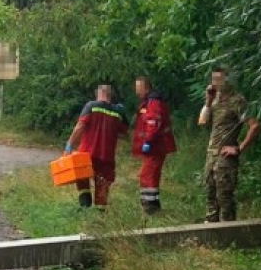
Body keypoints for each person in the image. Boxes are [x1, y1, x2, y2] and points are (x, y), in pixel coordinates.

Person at [199, 66, 260, 222]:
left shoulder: (237, 101)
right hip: (211, 154)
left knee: (224, 196)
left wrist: (239, 148)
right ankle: (211, 230)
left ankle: (229, 232)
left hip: (225, 156)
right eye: (214, 79)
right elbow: (202, 122)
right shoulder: (214, 99)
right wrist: (208, 100)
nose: (216, 83)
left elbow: (254, 125)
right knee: (210, 193)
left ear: (228, 80)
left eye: (220, 79)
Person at [65, 84, 128, 208]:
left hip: (87, 153)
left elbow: (80, 126)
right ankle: (100, 212)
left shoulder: (91, 106)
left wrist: (69, 145)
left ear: (98, 93)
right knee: (103, 183)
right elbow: (125, 133)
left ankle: (85, 205)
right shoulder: (118, 112)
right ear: (110, 95)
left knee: (81, 177)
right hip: (107, 156)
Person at [133, 76, 177, 214]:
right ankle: (153, 205)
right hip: (155, 146)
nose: (136, 91)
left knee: (148, 175)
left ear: (145, 87)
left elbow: (153, 123)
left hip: (155, 146)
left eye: (138, 88)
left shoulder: (153, 102)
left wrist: (148, 142)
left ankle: (150, 207)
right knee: (150, 174)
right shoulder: (149, 102)